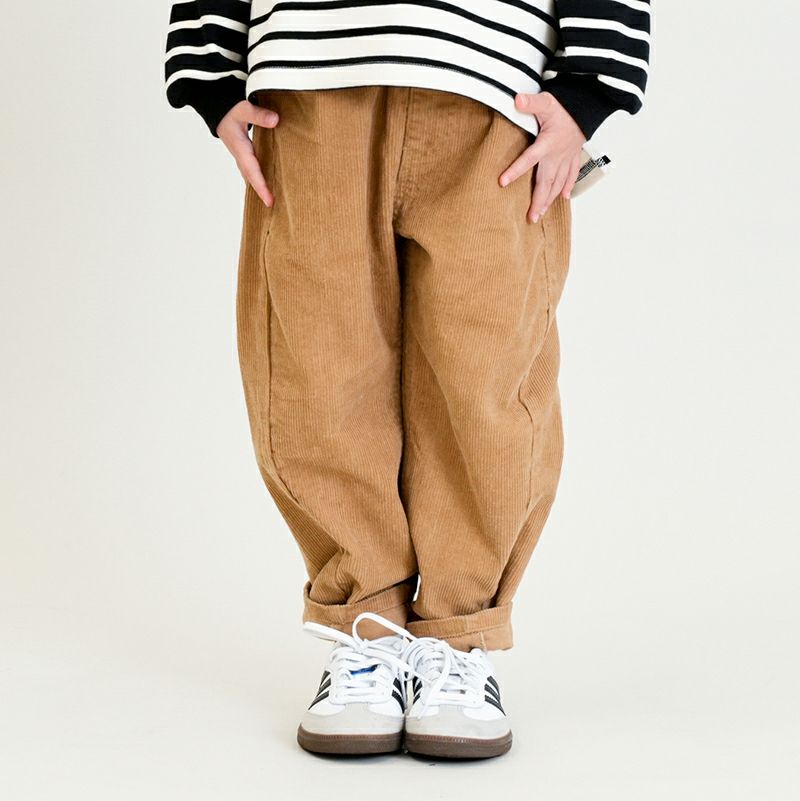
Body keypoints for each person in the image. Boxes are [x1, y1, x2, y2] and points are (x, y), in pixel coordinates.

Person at [163, 0, 650, 759]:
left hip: (496, 87)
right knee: (315, 366)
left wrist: (589, 85)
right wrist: (209, 68)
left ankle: (459, 635)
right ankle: (368, 626)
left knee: (486, 374)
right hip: (310, 81)